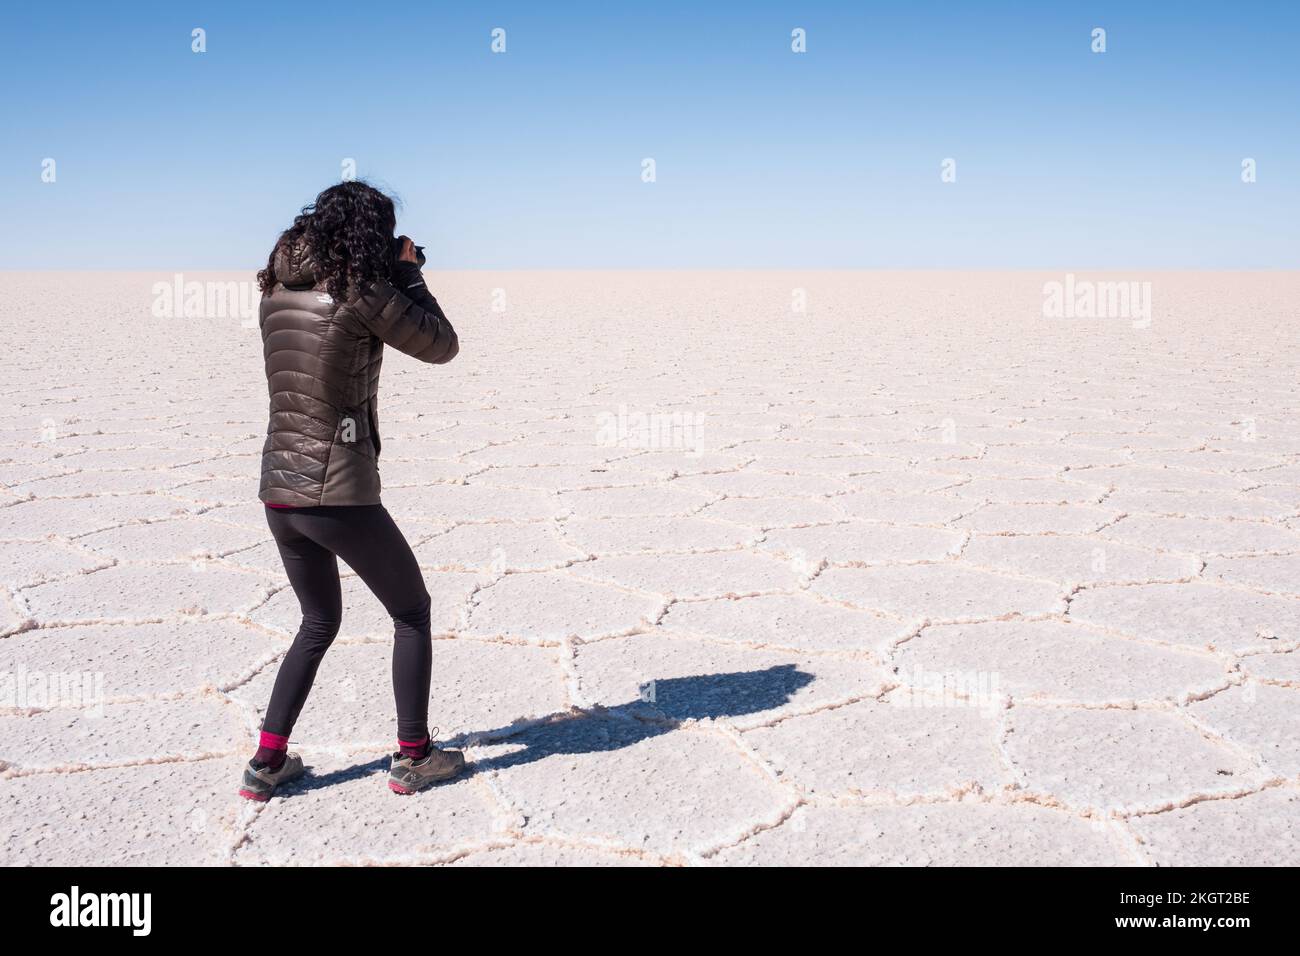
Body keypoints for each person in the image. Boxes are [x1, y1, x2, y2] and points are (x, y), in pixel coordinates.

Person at [239, 181, 462, 801]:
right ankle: (414, 756)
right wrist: (409, 274)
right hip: (335, 489)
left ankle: (267, 763)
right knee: (411, 612)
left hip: (279, 490)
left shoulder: (278, 287)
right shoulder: (361, 290)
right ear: (372, 233)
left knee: (317, 621)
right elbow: (441, 345)